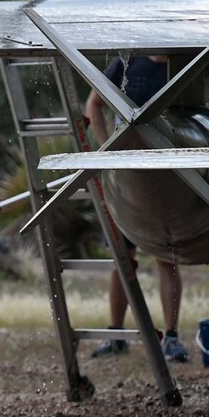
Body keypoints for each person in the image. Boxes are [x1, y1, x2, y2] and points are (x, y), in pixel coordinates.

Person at [84, 54, 188, 362]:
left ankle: (171, 337)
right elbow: (93, 105)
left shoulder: (179, 67)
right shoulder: (125, 64)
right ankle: (116, 335)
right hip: (126, 177)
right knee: (122, 258)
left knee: (165, 256)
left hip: (165, 177)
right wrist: (109, 153)